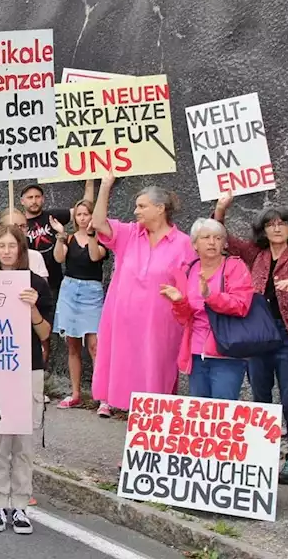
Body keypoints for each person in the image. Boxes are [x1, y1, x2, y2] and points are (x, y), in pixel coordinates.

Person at [214, 193, 288, 484]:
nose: (277, 228)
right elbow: (223, 239)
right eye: (271, 224)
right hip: (258, 336)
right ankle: (262, 457)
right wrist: (221, 209)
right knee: (260, 401)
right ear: (264, 230)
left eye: (283, 223)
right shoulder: (254, 255)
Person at [89, 175, 195, 417]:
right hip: (124, 324)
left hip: (160, 327)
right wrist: (105, 185)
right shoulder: (129, 234)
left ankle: (154, 447)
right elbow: (98, 222)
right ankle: (137, 449)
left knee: (156, 384)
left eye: (142, 206)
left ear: (160, 209)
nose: (136, 211)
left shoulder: (183, 243)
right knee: (128, 385)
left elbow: (188, 287)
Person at [0, 224, 53, 535]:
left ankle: (20, 505)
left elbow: (45, 333)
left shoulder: (37, 283)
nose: (7, 251)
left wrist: (33, 307)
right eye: (2, 246)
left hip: (28, 367)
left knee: (23, 441)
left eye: (13, 246)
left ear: (21, 250)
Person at [161, 219, 253, 400]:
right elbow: (184, 318)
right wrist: (179, 302)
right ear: (195, 244)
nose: (212, 242)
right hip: (195, 353)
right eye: (206, 237)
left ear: (224, 243)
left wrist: (210, 296)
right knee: (201, 413)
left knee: (222, 412)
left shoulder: (235, 266)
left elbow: (241, 305)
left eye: (218, 238)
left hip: (226, 352)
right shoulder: (188, 270)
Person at [51, 200, 106, 409]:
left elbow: (94, 256)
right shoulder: (70, 238)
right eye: (80, 214)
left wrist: (92, 235)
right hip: (69, 289)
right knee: (72, 345)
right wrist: (60, 236)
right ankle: (75, 393)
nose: (83, 218)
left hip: (92, 292)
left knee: (95, 346)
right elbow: (59, 258)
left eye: (87, 214)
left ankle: (102, 397)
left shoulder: (102, 239)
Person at [19, 181, 94, 295]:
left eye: (37, 197)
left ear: (43, 199)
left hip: (55, 282)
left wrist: (89, 182)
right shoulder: (19, 223)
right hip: (28, 282)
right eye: (30, 197)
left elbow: (84, 208)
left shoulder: (53, 216)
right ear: (22, 201)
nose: (34, 201)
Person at [0, 210, 47, 279]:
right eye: (14, 226)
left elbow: (43, 290)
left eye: (23, 226)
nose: (18, 230)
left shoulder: (35, 256)